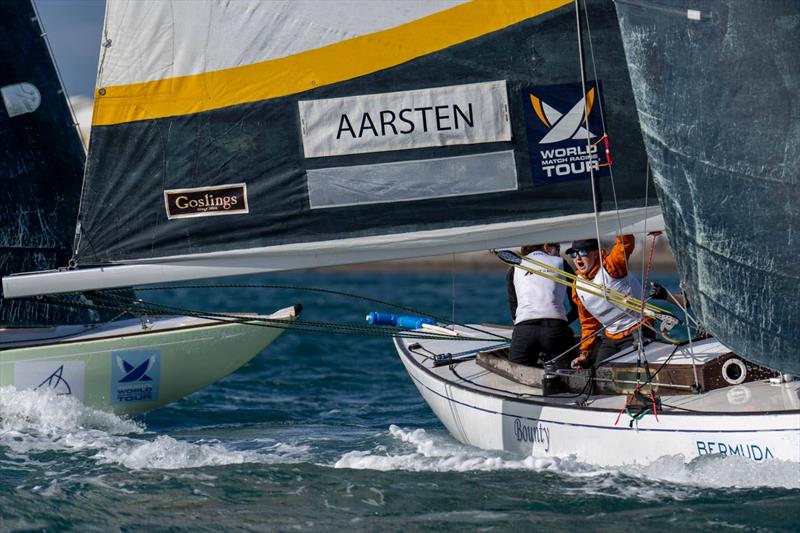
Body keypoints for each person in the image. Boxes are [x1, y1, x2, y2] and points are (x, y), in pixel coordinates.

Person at [567, 235, 654, 369]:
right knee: (599, 372)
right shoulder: (577, 286)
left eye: (583, 252)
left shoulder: (611, 266)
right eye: (573, 254)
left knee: (625, 370)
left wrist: (618, 221)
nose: (577, 258)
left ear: (596, 253)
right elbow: (588, 322)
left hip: (638, 329)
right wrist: (584, 352)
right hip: (611, 336)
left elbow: (625, 243)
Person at [506, 243, 578, 368]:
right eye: (558, 249)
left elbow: (513, 305)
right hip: (556, 329)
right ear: (546, 247)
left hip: (524, 331)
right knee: (569, 375)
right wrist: (563, 323)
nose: (559, 253)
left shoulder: (515, 266)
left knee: (516, 376)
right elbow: (577, 304)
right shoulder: (560, 262)